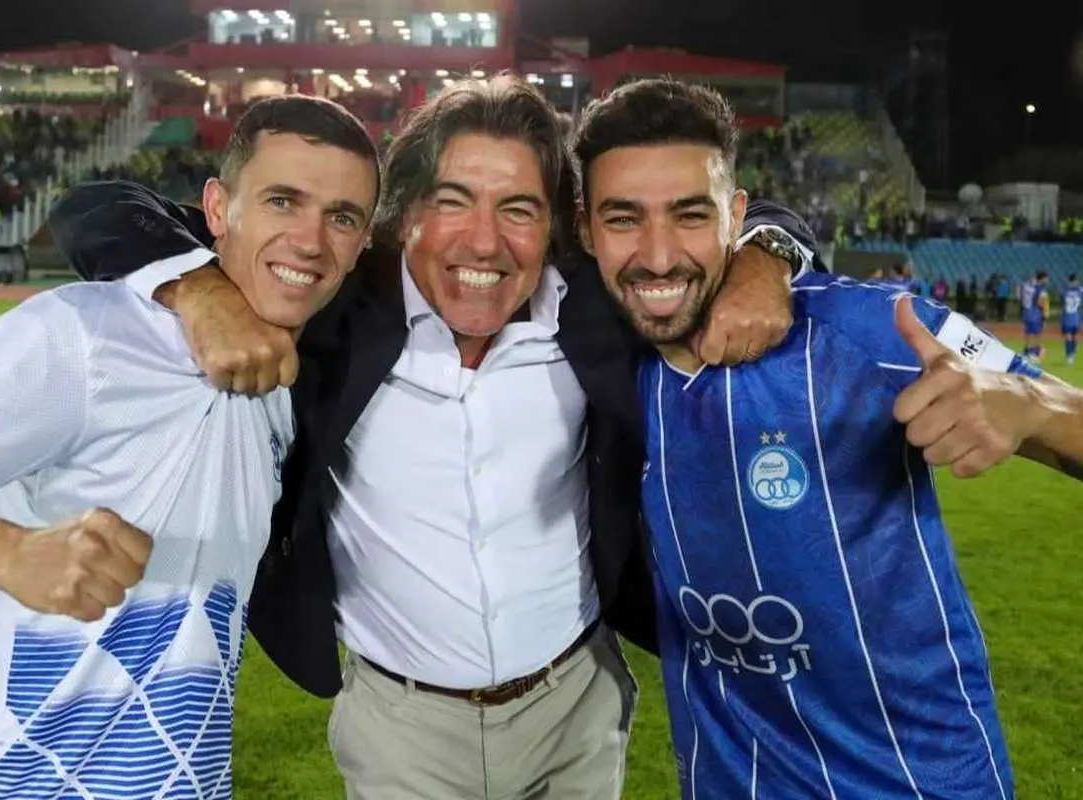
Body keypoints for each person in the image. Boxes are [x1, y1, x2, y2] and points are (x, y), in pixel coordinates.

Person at [47, 75, 821, 798]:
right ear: (404, 212)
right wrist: (200, 290)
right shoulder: (338, 303)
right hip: (401, 725)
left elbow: (752, 219)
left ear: (558, 226)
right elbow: (99, 209)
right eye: (454, 201)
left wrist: (766, 260)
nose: (484, 243)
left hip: (576, 704)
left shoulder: (593, 306)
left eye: (518, 208)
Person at [572, 77, 1083, 798]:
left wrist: (1029, 406)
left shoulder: (869, 330)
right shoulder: (597, 360)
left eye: (691, 215)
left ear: (736, 215)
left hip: (915, 780)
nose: (658, 256)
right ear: (585, 230)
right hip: (728, 781)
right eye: (624, 219)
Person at [0, 95, 379, 798]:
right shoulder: (85, 336)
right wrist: (9, 554)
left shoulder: (288, 379)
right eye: (282, 201)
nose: (309, 240)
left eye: (342, 218)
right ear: (217, 209)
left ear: (361, 244)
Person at [1020, 271, 1050, 361]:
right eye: (1046, 278)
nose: (1047, 280)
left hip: (1026, 312)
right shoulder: (1040, 290)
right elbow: (1041, 303)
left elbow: (1021, 295)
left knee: (1028, 333)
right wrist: (1045, 316)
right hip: (1035, 313)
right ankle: (1032, 354)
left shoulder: (1027, 287)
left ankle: (1027, 352)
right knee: (1036, 334)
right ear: (1042, 279)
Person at [1061, 273, 1080, 365]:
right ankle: (1070, 354)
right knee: (1071, 336)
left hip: (1069, 316)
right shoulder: (1080, 291)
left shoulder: (1065, 291)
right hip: (1074, 316)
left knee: (1072, 336)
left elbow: (1062, 300)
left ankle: (1070, 354)